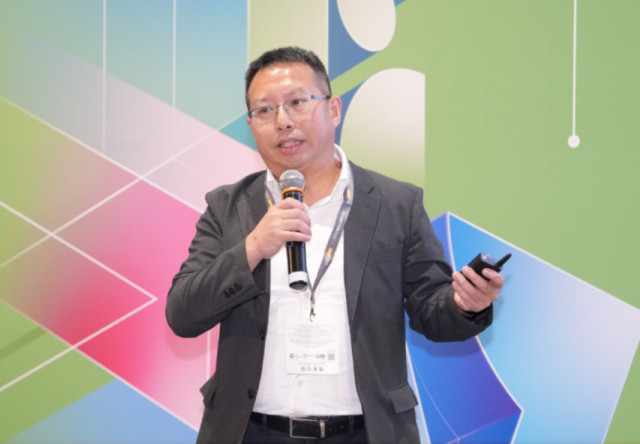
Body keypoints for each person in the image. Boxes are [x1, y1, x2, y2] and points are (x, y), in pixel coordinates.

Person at [165, 47, 505, 443]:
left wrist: (467, 305)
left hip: (365, 433)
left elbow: (433, 312)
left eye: (297, 102)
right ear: (251, 125)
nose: (283, 121)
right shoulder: (227, 207)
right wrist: (253, 247)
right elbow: (183, 314)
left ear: (334, 109)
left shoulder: (396, 203)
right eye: (265, 110)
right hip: (251, 432)